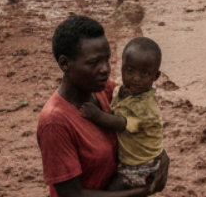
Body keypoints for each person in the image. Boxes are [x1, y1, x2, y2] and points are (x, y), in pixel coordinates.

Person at [37, 14, 170, 196]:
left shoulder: (103, 89)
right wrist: (142, 191)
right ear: (65, 63)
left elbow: (141, 122)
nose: (105, 69)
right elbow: (72, 195)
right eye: (93, 63)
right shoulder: (55, 122)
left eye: (107, 59)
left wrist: (161, 156)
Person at [78, 37, 166, 189]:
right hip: (129, 157)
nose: (136, 79)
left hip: (143, 163)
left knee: (114, 190)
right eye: (130, 71)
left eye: (145, 74)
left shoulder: (145, 107)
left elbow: (122, 123)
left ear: (155, 77)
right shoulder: (121, 89)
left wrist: (97, 115)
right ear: (122, 67)